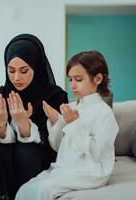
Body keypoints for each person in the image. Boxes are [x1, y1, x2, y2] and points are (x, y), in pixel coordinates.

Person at [15, 50, 119, 200]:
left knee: (43, 190)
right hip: (67, 168)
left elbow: (97, 153)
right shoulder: (73, 108)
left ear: (97, 78)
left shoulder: (104, 113)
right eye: (70, 80)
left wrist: (73, 125)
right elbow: (57, 147)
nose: (72, 86)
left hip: (91, 172)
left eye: (78, 79)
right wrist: (56, 121)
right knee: (26, 189)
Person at [0, 34, 68, 200]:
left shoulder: (55, 96)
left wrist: (24, 125)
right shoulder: (2, 94)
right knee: (0, 151)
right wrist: (1, 123)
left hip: (41, 158)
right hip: (9, 157)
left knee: (26, 150)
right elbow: (1, 141)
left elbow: (55, 144)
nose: (16, 78)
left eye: (24, 71)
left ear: (36, 67)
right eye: (11, 70)